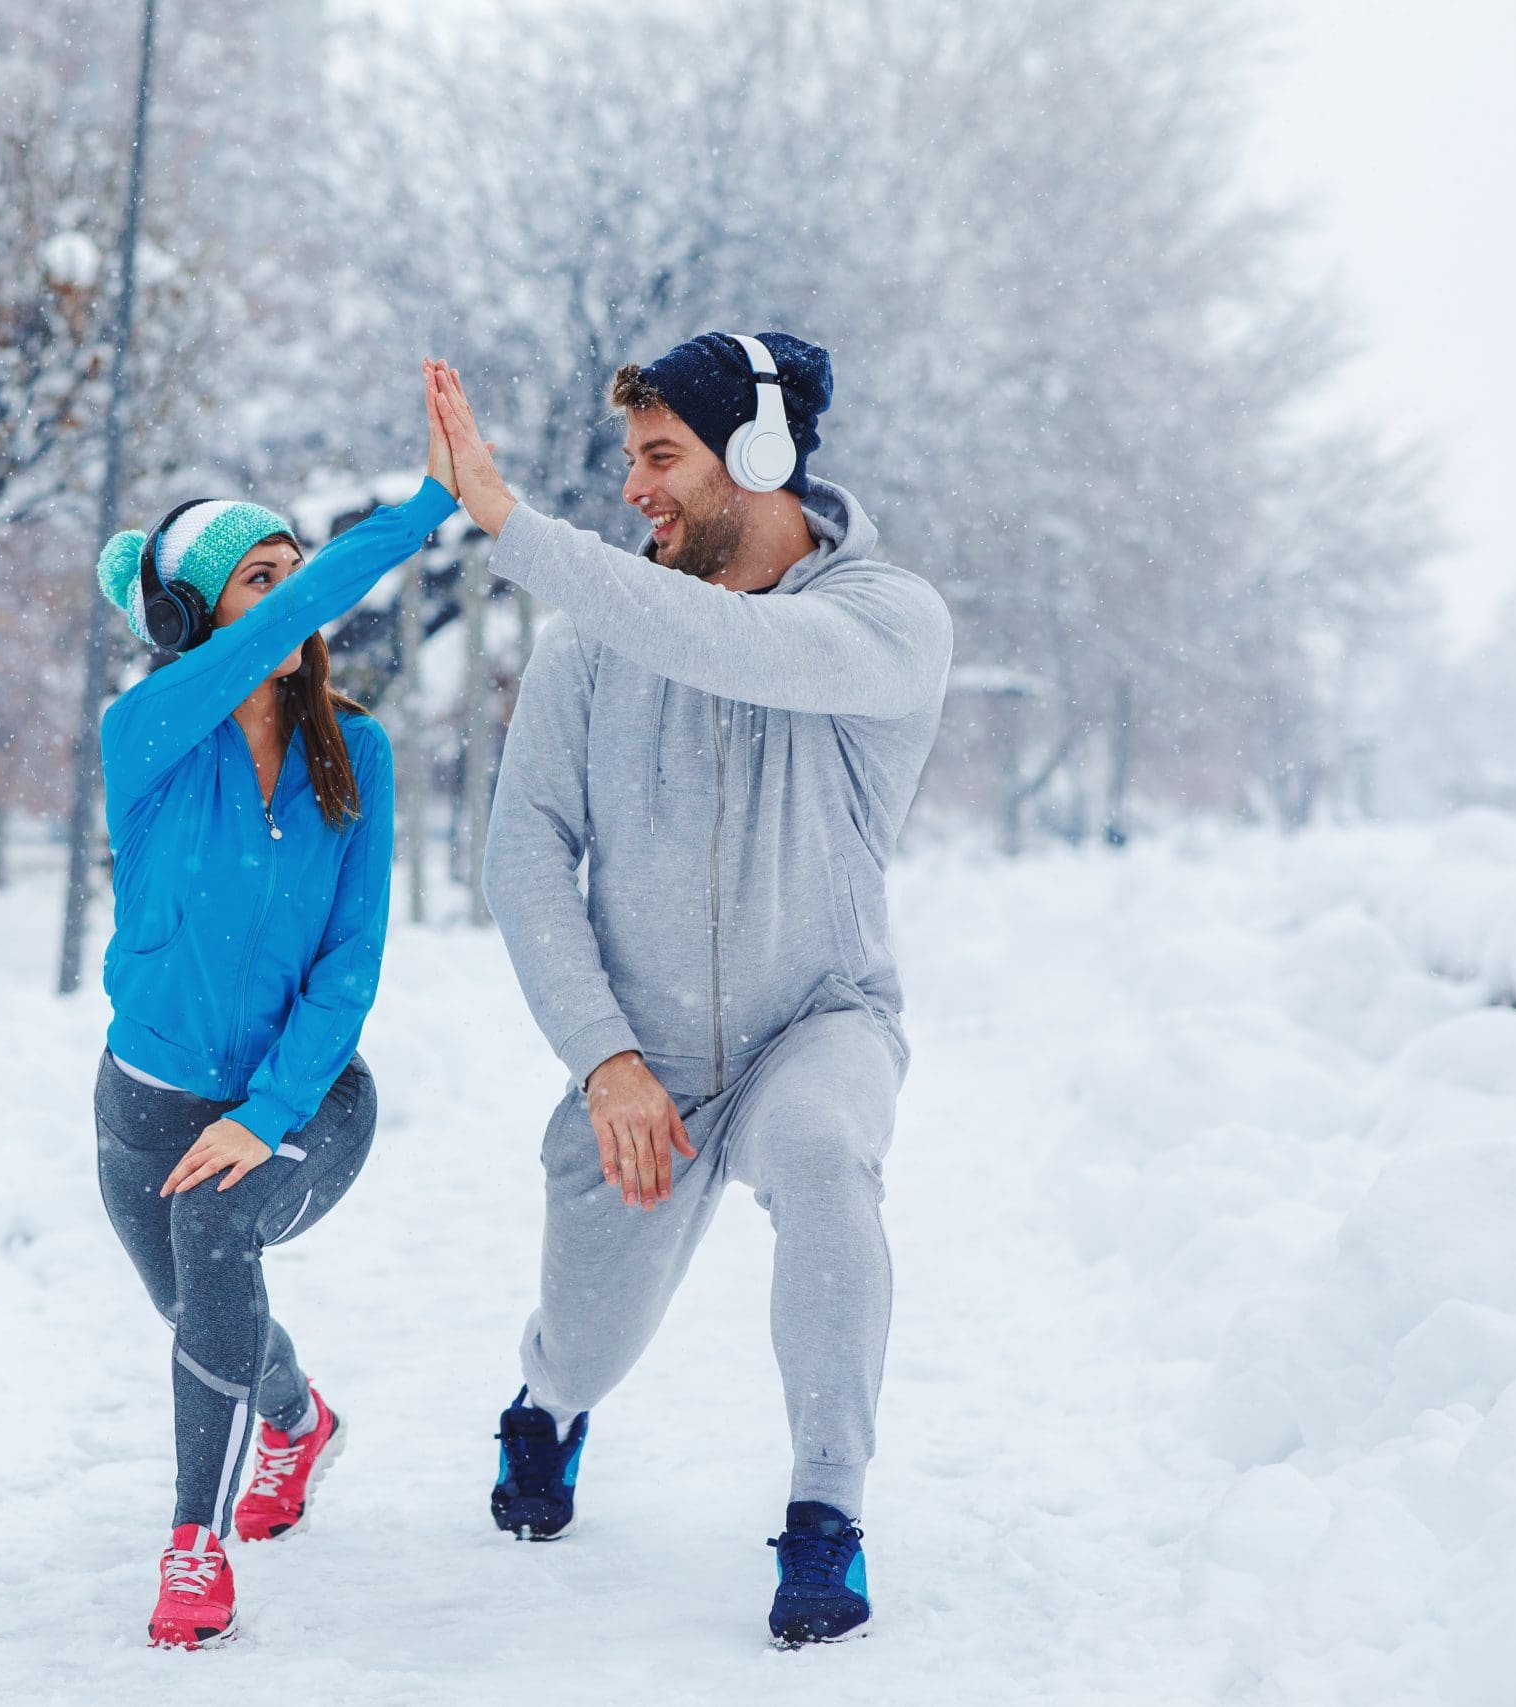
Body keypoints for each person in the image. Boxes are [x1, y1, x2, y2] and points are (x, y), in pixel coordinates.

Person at [424, 337, 951, 1646]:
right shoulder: (589, 648)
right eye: (627, 461)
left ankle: (826, 1515)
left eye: (662, 457)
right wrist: (605, 1056)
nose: (634, 489)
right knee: (589, 1337)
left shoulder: (887, 620)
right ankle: (547, 1401)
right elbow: (525, 849)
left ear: (761, 457)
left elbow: (741, 647)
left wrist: (512, 524)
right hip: (644, 1049)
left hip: (816, 1018)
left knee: (829, 1153)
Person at [92, 369, 460, 1650]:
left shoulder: (352, 753)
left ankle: (192, 1550)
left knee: (215, 1228)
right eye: (261, 579)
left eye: (299, 574)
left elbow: (349, 963)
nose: (293, 598)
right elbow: (266, 637)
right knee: (202, 1311)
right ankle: (299, 1424)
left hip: (307, 1098)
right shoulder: (144, 736)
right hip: (142, 1106)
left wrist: (268, 1112)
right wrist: (405, 521)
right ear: (194, 620)